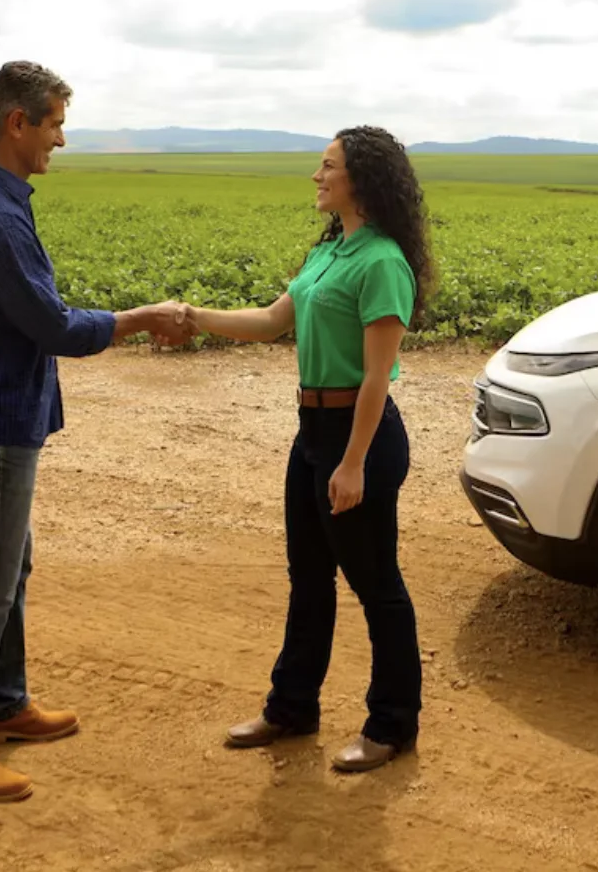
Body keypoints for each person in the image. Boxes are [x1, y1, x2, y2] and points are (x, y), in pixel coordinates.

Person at [0, 60, 189, 802]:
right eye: (56, 124)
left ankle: (3, 704)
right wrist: (142, 317)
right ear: (18, 123)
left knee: (9, 569)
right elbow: (54, 326)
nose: (61, 140)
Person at [168, 125, 433, 772]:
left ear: (361, 181)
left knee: (378, 586)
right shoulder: (330, 252)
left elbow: (377, 376)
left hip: (357, 437)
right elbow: (270, 320)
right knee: (308, 579)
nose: (316, 177)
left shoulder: (383, 262)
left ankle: (393, 725)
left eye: (327, 166)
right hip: (312, 431)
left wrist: (352, 464)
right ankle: (291, 708)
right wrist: (193, 315)